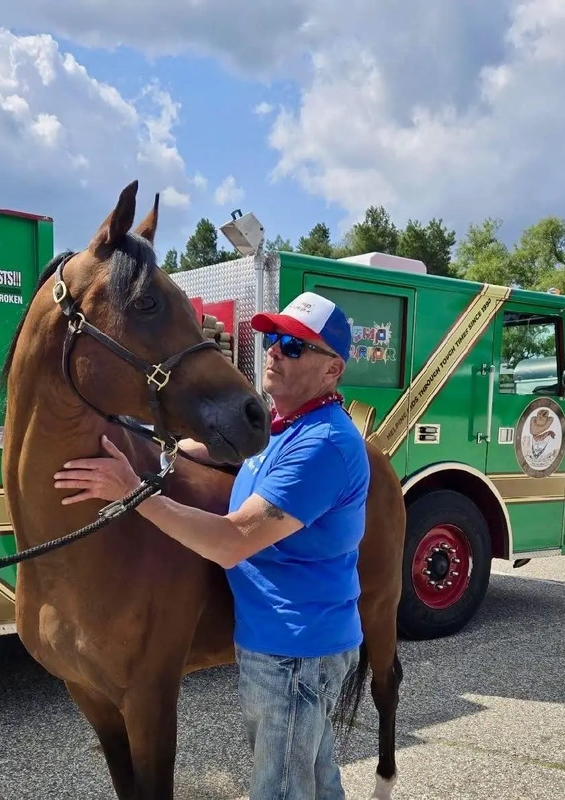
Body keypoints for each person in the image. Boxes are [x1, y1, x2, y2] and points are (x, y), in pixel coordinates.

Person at [53, 291, 370, 800]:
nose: (273, 352)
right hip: (288, 642)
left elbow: (231, 541)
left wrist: (131, 492)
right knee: (315, 776)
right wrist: (155, 443)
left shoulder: (322, 445)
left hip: (295, 651)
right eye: (273, 339)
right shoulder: (286, 429)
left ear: (332, 370)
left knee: (282, 789)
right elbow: (227, 456)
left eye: (294, 345)